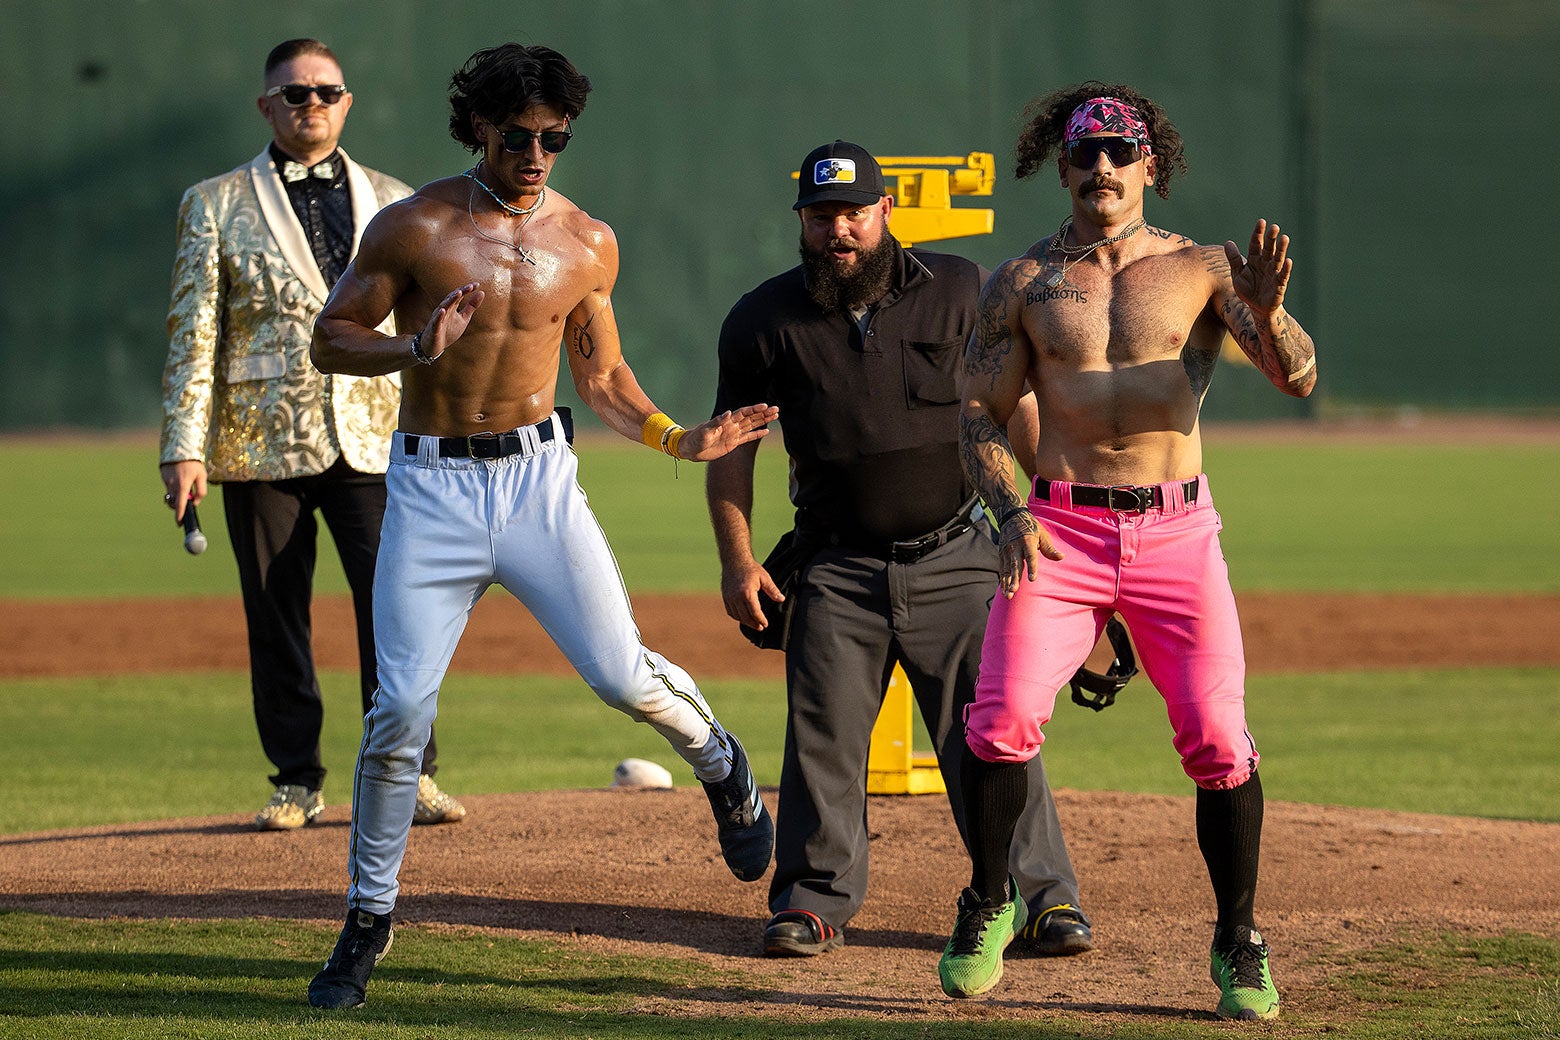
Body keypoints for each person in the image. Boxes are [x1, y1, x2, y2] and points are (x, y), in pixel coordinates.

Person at [302, 43, 778, 1010]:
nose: (536, 152)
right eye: (518, 134)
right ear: (478, 127)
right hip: (432, 490)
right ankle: (367, 916)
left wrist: (680, 437)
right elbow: (329, 337)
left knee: (617, 673)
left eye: (555, 137)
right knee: (398, 714)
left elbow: (599, 375)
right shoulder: (415, 226)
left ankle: (721, 763)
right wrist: (408, 346)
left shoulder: (587, 241)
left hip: (536, 484)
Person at [940, 83, 1316, 1021]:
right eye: (1085, 151)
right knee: (1002, 720)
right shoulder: (1022, 284)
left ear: (1152, 164)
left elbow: (1299, 378)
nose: (1101, 166)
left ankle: (1239, 938)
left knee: (1221, 742)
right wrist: (1011, 513)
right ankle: (989, 900)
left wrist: (1265, 315)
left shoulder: (1203, 268)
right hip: (1060, 529)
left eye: (1120, 149)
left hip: (1177, 530)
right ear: (1061, 166)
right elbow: (979, 418)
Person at [706, 141, 1093, 960]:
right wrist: (739, 561)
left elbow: (1007, 407)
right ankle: (813, 902)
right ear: (801, 222)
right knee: (823, 745)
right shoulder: (761, 321)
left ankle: (1042, 898)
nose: (838, 230)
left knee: (993, 732)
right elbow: (733, 450)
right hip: (835, 568)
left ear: (887, 212)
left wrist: (1045, 511)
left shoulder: (957, 289)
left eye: (853, 213)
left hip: (957, 555)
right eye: (821, 216)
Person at [159, 38, 466, 834]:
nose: (311, 105)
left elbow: (420, 332)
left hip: (375, 433)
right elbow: (192, 333)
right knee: (275, 612)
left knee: (398, 608)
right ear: (267, 106)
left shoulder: (397, 200)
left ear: (346, 101)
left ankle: (412, 772)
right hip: (261, 442)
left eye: (325, 91)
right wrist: (182, 444)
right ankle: (297, 778)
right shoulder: (214, 202)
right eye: (294, 94)